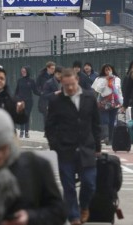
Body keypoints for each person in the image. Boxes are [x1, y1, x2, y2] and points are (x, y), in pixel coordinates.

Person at [46, 69, 101, 225]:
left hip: (87, 148)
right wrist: (55, 145)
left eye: (72, 84)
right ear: (61, 83)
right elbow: (50, 126)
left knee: (89, 183)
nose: (69, 88)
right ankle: (74, 217)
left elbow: (96, 124)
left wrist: (97, 147)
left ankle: (84, 206)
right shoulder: (56, 101)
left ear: (77, 80)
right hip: (65, 149)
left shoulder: (89, 97)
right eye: (66, 85)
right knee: (68, 186)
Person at [92, 64, 123, 144]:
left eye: (109, 69)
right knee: (105, 120)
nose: (108, 71)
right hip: (103, 102)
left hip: (114, 101)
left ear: (112, 70)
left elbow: (118, 90)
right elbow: (98, 89)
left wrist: (121, 102)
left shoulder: (117, 79)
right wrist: (106, 80)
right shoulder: (99, 79)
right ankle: (106, 136)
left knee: (112, 121)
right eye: (106, 70)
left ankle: (111, 139)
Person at [14, 66, 39, 138]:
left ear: (27, 71)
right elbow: (17, 91)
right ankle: (21, 132)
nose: (23, 72)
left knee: (27, 116)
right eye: (22, 71)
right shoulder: (19, 80)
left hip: (29, 101)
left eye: (24, 71)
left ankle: (27, 132)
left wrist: (42, 93)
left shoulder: (31, 81)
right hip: (20, 100)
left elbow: (35, 91)